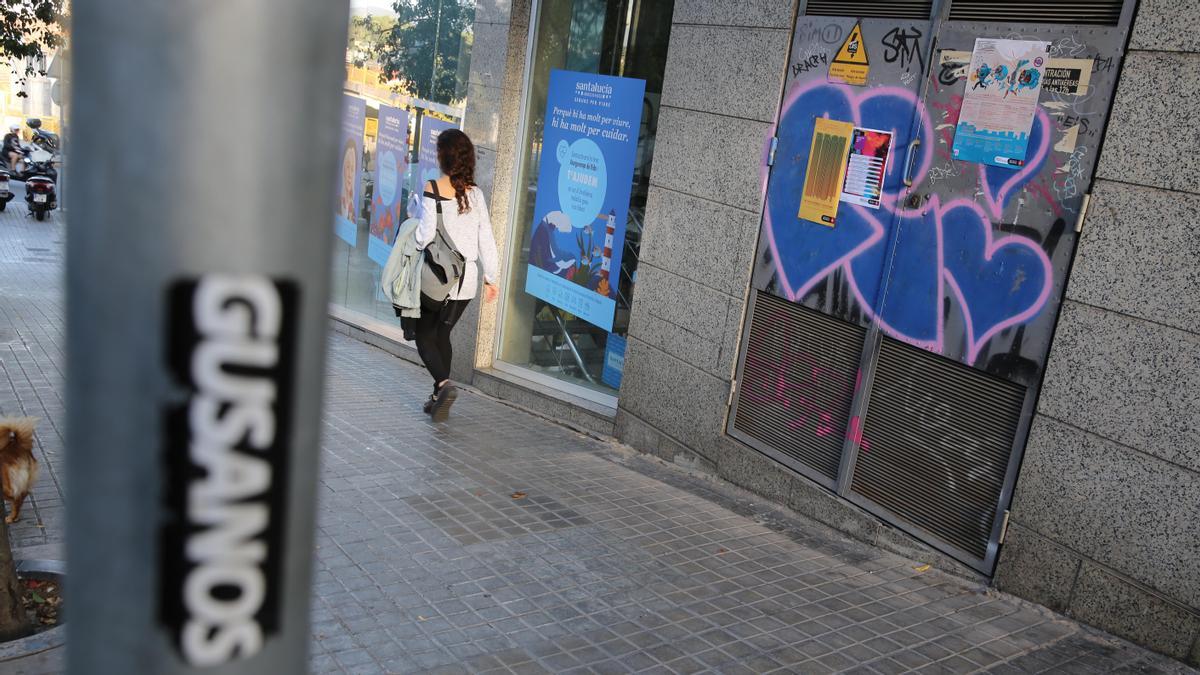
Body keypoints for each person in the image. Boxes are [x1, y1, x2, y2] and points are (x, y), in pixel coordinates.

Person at [414, 129, 500, 420]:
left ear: (442, 155)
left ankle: (443, 384)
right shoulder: (475, 195)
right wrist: (492, 277)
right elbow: (485, 237)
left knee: (423, 334)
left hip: (438, 280)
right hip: (467, 282)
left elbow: (424, 237)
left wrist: (412, 235)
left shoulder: (432, 188)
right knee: (443, 334)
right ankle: (439, 397)